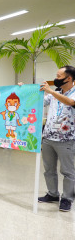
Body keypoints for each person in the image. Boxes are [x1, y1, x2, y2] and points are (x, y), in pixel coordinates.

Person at [36, 66, 75, 212]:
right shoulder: (54, 94)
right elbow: (37, 100)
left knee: (68, 171)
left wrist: (51, 91)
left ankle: (67, 198)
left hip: (67, 139)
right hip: (48, 138)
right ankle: (52, 194)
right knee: (49, 169)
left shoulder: (69, 94)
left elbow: (70, 102)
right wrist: (23, 89)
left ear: (69, 78)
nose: (56, 78)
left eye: (59, 76)